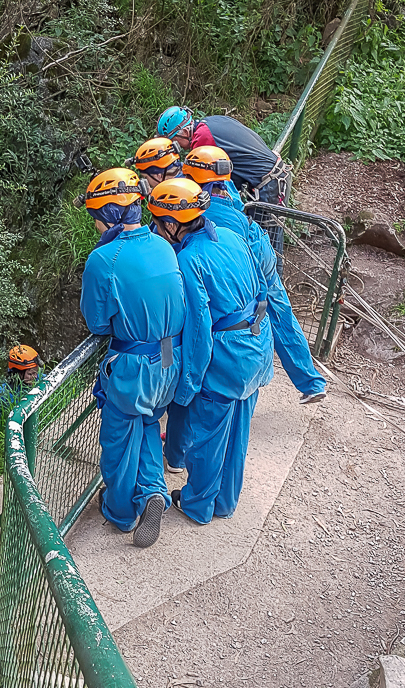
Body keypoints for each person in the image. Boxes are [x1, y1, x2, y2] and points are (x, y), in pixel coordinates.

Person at [147, 177, 274, 525]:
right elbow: (262, 287)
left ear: (171, 224)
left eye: (157, 223)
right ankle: (225, 502)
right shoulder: (231, 236)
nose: (156, 230)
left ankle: (197, 505)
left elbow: (199, 331)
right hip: (257, 342)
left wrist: (188, 385)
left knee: (208, 438)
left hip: (227, 358)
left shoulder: (189, 260)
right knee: (238, 434)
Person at [78, 168, 185, 548]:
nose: (94, 224)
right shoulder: (163, 245)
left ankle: (120, 513)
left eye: (95, 216)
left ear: (109, 214)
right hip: (170, 360)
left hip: (133, 368)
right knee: (149, 423)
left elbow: (97, 322)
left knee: (119, 441)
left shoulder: (103, 259)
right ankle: (153, 491)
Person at [182, 146, 327, 406]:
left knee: (249, 310)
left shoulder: (204, 209)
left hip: (249, 255)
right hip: (260, 244)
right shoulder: (227, 188)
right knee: (280, 312)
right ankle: (311, 381)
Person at [157, 106, 292, 271]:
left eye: (174, 142)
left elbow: (200, 179)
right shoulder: (212, 122)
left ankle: (274, 282)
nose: (177, 148)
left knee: (266, 246)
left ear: (184, 132)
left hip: (268, 184)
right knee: (266, 241)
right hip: (273, 175)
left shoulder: (203, 139)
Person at [0, 344, 41, 433]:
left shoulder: (38, 379)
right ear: (19, 373)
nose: (35, 377)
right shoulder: (0, 395)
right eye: (30, 374)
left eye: (36, 372)